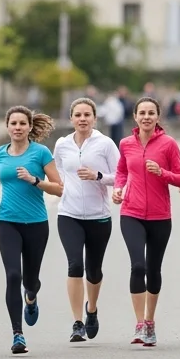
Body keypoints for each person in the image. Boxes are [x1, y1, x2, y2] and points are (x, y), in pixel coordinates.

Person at [0, 107, 63, 354]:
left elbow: (59, 188)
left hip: (36, 224)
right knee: (12, 275)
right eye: (13, 123)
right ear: (7, 126)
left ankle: (31, 296)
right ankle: (18, 334)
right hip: (7, 222)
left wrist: (35, 181)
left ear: (29, 127)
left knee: (30, 280)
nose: (17, 127)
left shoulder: (40, 153)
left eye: (22, 123)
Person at [113, 96, 180, 347]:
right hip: (131, 212)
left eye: (151, 113)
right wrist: (119, 188)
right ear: (135, 116)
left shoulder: (168, 144)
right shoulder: (125, 143)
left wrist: (162, 172)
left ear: (158, 117)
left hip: (159, 216)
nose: (146, 117)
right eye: (142, 112)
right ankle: (138, 324)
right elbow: (122, 171)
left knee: (154, 270)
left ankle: (150, 321)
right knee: (138, 266)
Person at [53, 97, 120, 342]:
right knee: (74, 266)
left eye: (87, 115)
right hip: (68, 214)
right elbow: (59, 171)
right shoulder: (62, 145)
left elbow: (121, 176)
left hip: (98, 216)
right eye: (78, 115)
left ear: (94, 117)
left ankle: (91, 309)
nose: (82, 119)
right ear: (71, 118)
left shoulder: (105, 144)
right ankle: (77, 322)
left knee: (93, 270)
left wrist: (97, 175)